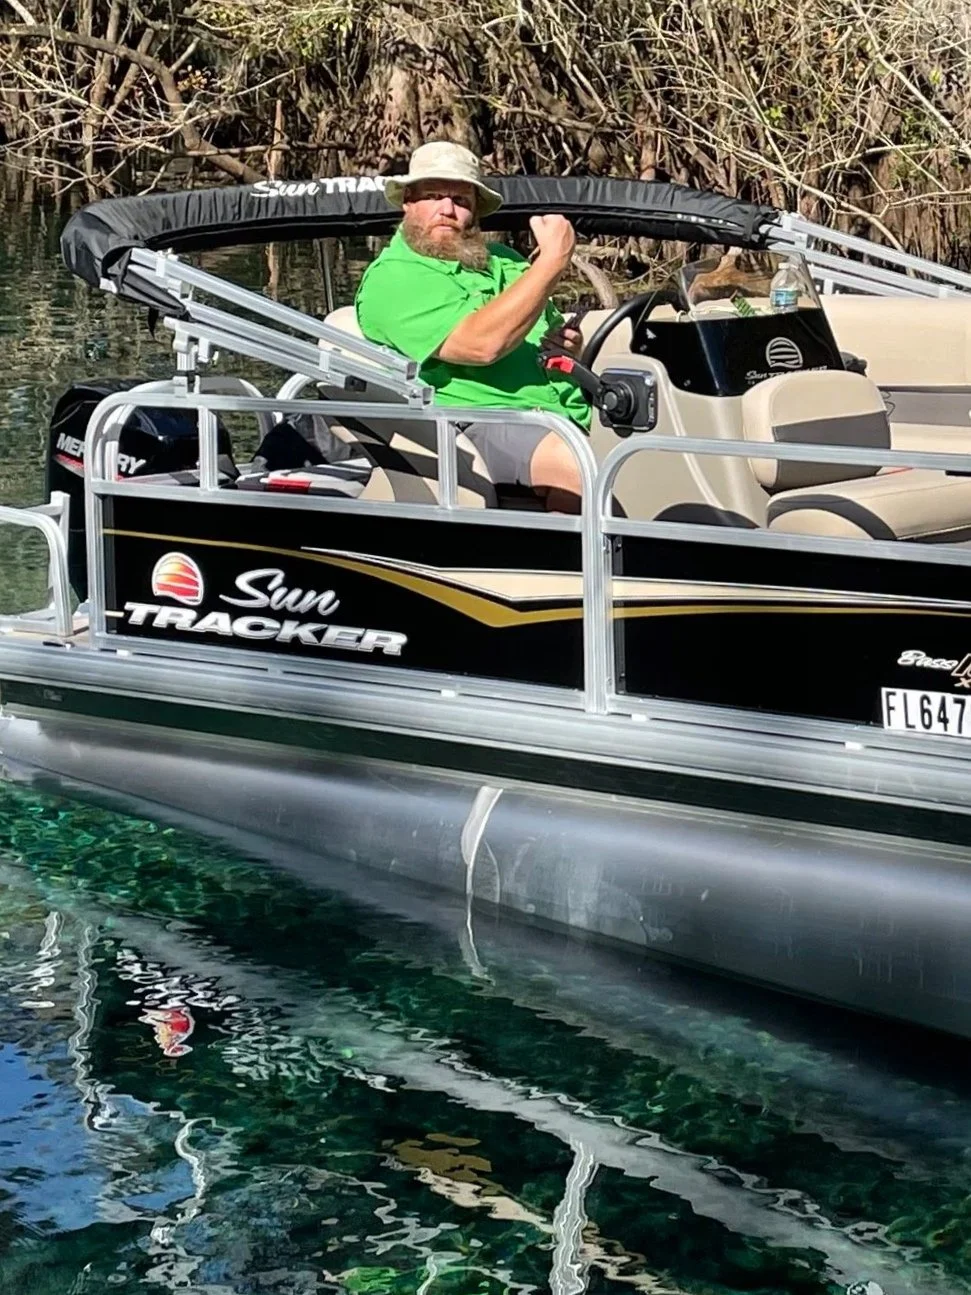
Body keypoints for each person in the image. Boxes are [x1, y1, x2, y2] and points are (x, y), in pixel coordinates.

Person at [354, 140, 589, 511]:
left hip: (568, 413)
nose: (447, 210)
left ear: (475, 210)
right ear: (408, 202)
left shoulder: (506, 261)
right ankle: (571, 567)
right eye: (434, 196)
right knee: (575, 464)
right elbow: (482, 346)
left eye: (461, 200)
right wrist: (552, 263)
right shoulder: (392, 278)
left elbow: (547, 338)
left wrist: (569, 347)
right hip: (473, 423)